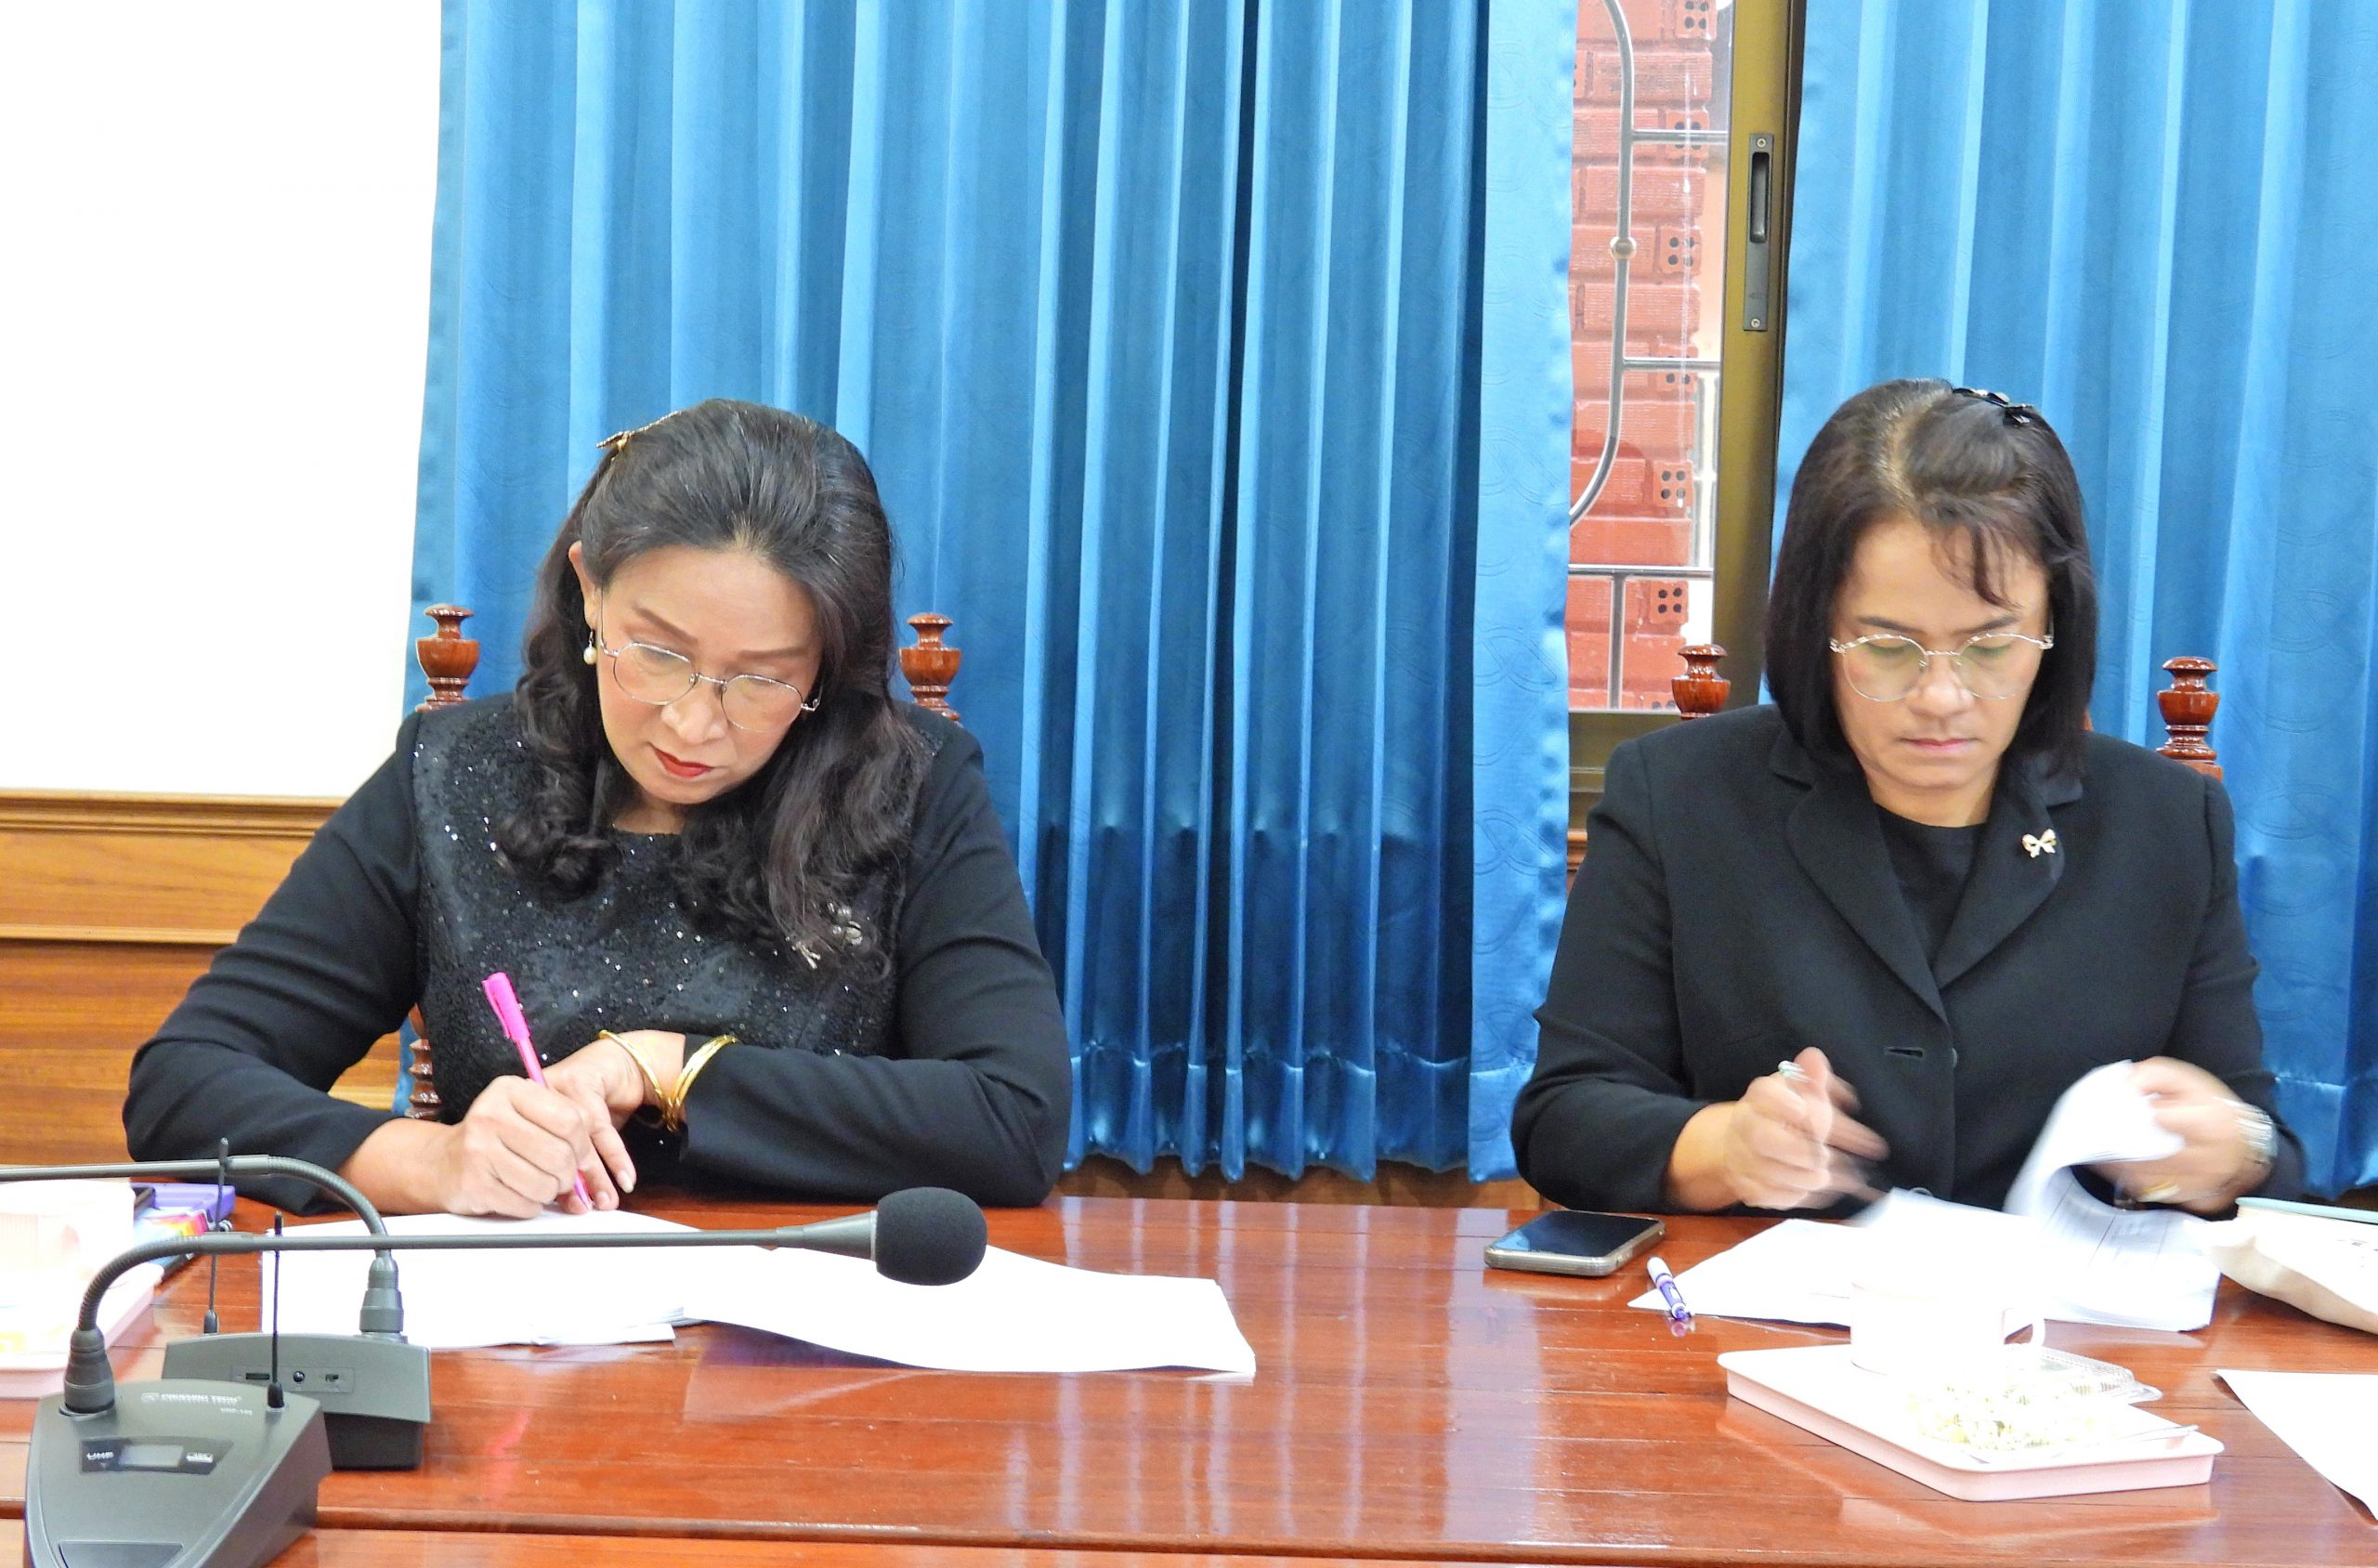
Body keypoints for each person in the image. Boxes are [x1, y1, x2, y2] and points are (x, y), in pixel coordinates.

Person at [125, 399, 1071, 1217]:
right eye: (657, 653)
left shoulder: (909, 782)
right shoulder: (456, 772)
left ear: (825, 662)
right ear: (589, 590)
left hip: (810, 1319)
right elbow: (183, 1082)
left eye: (760, 679)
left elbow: (1013, 1118)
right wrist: (432, 1162)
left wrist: (664, 1065)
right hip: (520, 1332)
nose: (694, 723)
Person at [1513, 379, 2305, 1217]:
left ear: (2054, 631)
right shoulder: (1681, 796)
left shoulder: (2167, 824)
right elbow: (1564, 1119)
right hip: (1769, 1296)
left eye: (1990, 646)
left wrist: (2234, 1150)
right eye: (1889, 647)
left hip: (2063, 1298)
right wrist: (1725, 1147)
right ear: (1817, 627)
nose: (1941, 698)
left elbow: (2270, 1157)